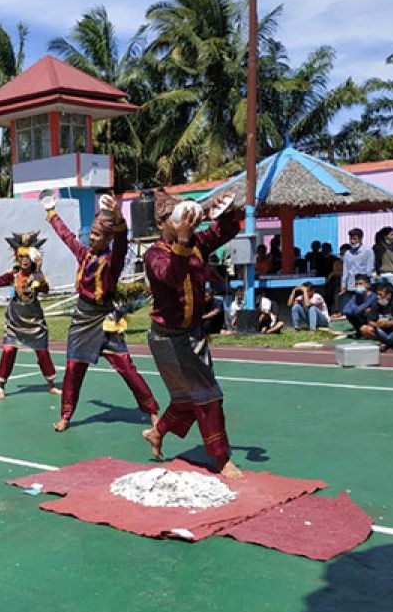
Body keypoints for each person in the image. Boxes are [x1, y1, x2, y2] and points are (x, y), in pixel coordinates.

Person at [141, 192, 243, 478]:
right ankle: (221, 458)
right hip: (169, 339)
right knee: (208, 396)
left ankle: (157, 432)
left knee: (187, 400)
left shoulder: (197, 242)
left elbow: (228, 229)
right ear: (164, 222)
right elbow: (170, 276)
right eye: (180, 217)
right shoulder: (154, 255)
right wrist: (184, 241)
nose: (188, 222)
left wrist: (223, 210)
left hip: (192, 335)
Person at [44, 193, 160, 433]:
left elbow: (122, 244)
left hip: (106, 319)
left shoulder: (112, 261)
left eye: (97, 235)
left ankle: (152, 411)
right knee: (74, 369)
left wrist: (119, 221)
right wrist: (52, 214)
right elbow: (67, 237)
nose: (91, 238)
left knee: (126, 367)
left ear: (108, 238)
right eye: (91, 234)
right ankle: (66, 415)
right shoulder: (84, 254)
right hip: (81, 320)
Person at [0, 231, 60, 399]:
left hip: (34, 319)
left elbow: (45, 290)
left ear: (33, 258)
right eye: (21, 257)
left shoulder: (37, 275)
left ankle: (51, 384)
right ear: (17, 257)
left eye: (27, 257)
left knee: (42, 352)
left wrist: (39, 271)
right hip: (15, 319)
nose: (24, 260)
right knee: (9, 350)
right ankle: (1, 385)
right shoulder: (13, 274)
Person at [360, 282, 393, 352]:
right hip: (381, 332)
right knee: (364, 329)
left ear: (389, 295)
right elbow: (370, 321)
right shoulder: (376, 304)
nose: (378, 297)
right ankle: (384, 343)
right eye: (377, 294)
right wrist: (378, 325)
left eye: (380, 295)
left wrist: (390, 323)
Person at [340, 228, 374, 311]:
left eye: (355, 239)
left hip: (362, 285)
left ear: (360, 239)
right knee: (352, 307)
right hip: (351, 285)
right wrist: (343, 284)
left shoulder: (368, 251)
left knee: (363, 307)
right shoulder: (348, 253)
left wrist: (367, 284)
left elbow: (369, 269)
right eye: (350, 239)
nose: (352, 241)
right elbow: (345, 270)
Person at [373, 226, 393, 294]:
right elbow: (376, 261)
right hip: (387, 273)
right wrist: (376, 272)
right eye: (391, 234)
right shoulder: (379, 247)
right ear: (385, 236)